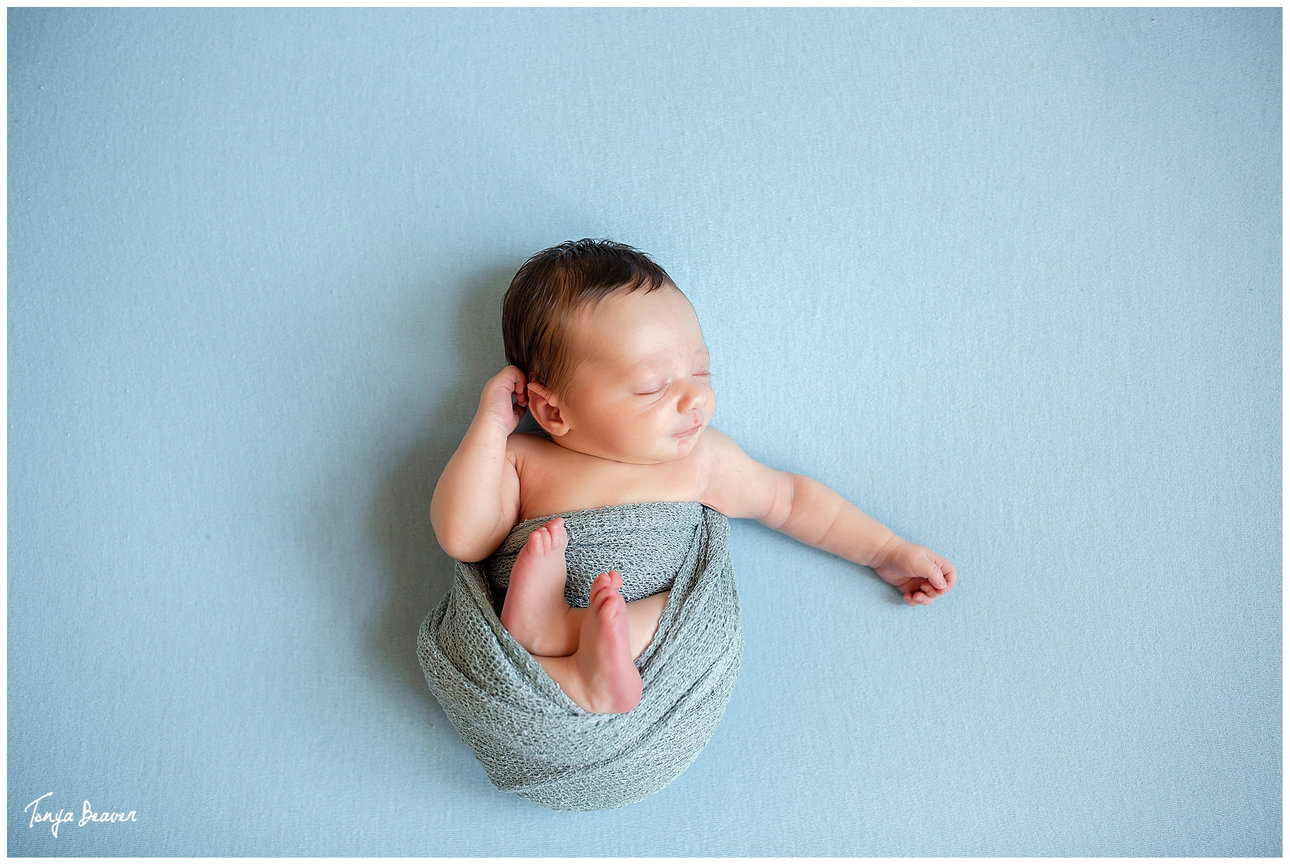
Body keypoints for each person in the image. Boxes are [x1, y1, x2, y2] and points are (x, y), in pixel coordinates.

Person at [430, 239, 956, 715]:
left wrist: (884, 549)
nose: (696, 398)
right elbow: (464, 537)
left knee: (683, 611)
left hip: (642, 678)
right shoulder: (524, 460)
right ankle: (556, 648)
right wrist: (493, 424)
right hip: (526, 683)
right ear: (551, 410)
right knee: (578, 638)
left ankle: (563, 644)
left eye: (701, 371)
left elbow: (790, 500)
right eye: (653, 386)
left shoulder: (700, 460)